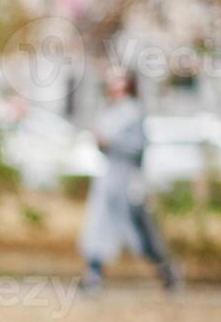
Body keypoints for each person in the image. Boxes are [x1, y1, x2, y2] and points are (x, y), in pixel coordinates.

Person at [77, 67, 182, 295]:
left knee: (140, 234)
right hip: (108, 180)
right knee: (98, 228)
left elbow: (138, 148)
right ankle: (92, 277)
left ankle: (167, 271)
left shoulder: (134, 112)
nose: (113, 85)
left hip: (127, 183)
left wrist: (111, 143)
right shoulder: (107, 111)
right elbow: (102, 145)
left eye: (119, 81)